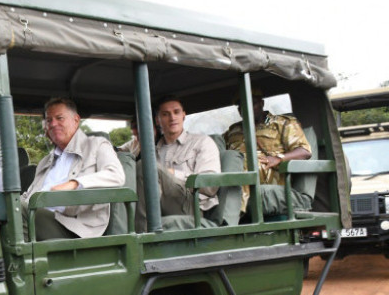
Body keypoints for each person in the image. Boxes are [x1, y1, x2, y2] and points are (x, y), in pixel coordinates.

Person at [21, 97, 125, 240]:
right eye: (49, 120)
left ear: (76, 120)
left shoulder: (97, 144)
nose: (53, 124)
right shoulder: (46, 161)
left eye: (60, 118)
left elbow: (116, 175)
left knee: (19, 210)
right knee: (8, 207)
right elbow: (27, 196)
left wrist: (73, 183)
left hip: (74, 227)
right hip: (39, 215)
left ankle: (24, 260)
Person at [134, 95, 221, 232]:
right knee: (138, 166)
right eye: (165, 114)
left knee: (147, 167)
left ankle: (143, 235)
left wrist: (173, 174)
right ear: (158, 120)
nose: (172, 118)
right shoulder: (153, 150)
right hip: (161, 206)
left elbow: (210, 185)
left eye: (176, 112)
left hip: (193, 206)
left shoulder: (202, 142)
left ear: (184, 115)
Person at [224, 89, 312, 212]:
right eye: (241, 106)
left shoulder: (283, 123)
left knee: (242, 164)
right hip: (236, 170)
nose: (246, 109)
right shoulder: (233, 130)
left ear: (261, 103)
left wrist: (279, 158)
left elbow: (304, 151)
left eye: (252, 104)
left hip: (268, 169)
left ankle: (234, 213)